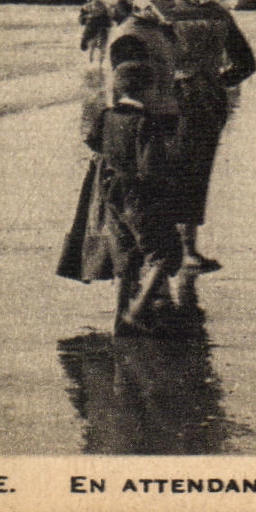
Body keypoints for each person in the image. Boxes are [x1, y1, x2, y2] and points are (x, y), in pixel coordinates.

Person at [168, 0, 256, 271]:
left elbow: (247, 62)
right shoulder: (170, 13)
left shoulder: (221, 15)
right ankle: (164, 250)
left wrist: (218, 82)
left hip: (207, 108)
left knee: (196, 177)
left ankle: (188, 249)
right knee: (166, 175)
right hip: (170, 108)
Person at [85, 61, 180, 335]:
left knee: (124, 258)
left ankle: (118, 318)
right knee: (164, 253)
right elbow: (150, 168)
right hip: (138, 195)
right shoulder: (145, 122)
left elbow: (93, 143)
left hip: (110, 192)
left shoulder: (106, 115)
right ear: (148, 89)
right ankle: (137, 309)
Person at [79, 0, 112, 64]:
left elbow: (108, 18)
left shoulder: (104, 6)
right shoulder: (87, 6)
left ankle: (100, 64)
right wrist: (88, 16)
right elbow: (81, 20)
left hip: (101, 27)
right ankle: (90, 62)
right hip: (92, 27)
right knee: (90, 46)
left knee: (102, 47)